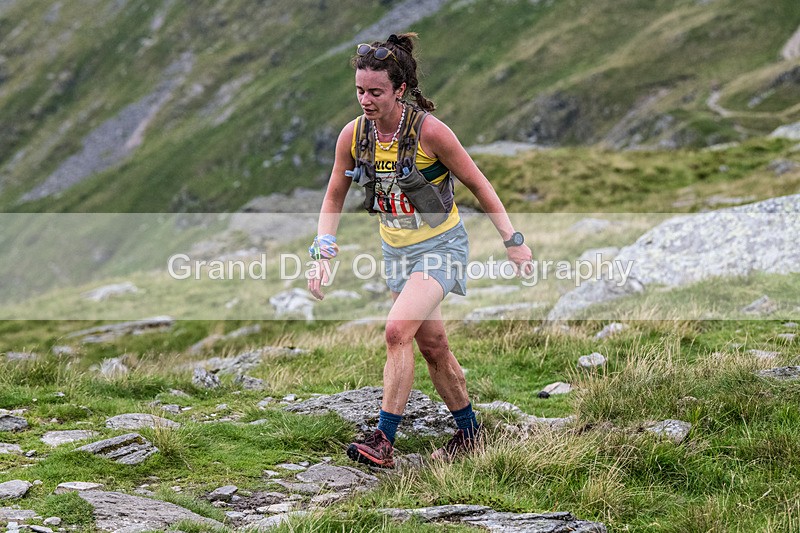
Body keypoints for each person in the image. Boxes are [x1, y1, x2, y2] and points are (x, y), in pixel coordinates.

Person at [307, 32, 533, 468]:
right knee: (433, 346)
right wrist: (322, 254)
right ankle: (470, 434)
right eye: (359, 91)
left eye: (375, 92)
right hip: (396, 252)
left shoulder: (431, 132)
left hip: (441, 246)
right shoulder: (353, 136)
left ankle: (383, 440)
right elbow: (334, 196)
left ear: (400, 90)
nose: (366, 100)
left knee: (396, 331)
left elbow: (479, 185)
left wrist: (513, 241)